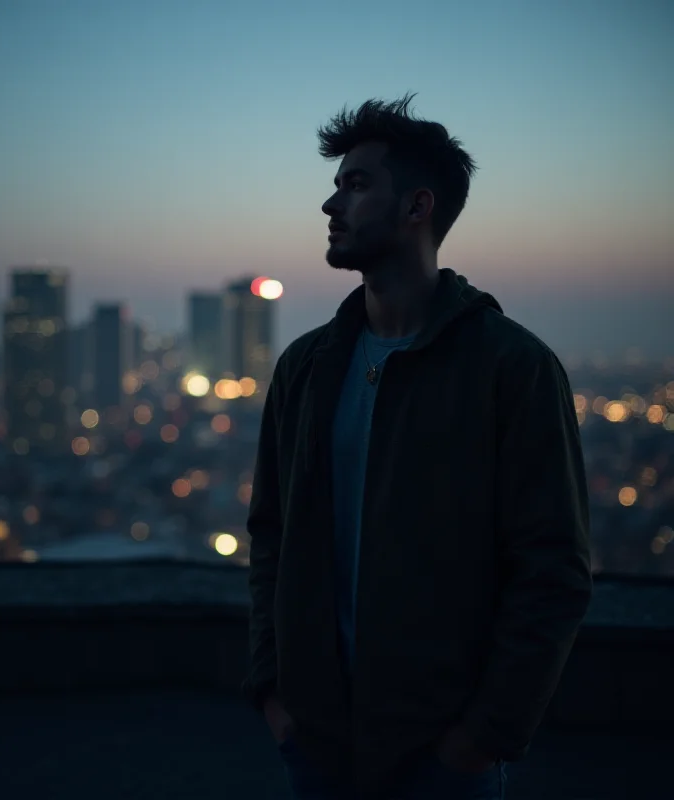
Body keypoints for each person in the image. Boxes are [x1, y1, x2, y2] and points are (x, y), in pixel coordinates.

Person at [241, 93, 592, 800]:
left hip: (442, 756)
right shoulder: (308, 368)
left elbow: (552, 571)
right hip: (317, 744)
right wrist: (275, 695)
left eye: (357, 183)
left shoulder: (511, 368)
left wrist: (480, 739)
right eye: (338, 184)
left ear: (417, 208)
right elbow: (272, 537)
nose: (330, 205)